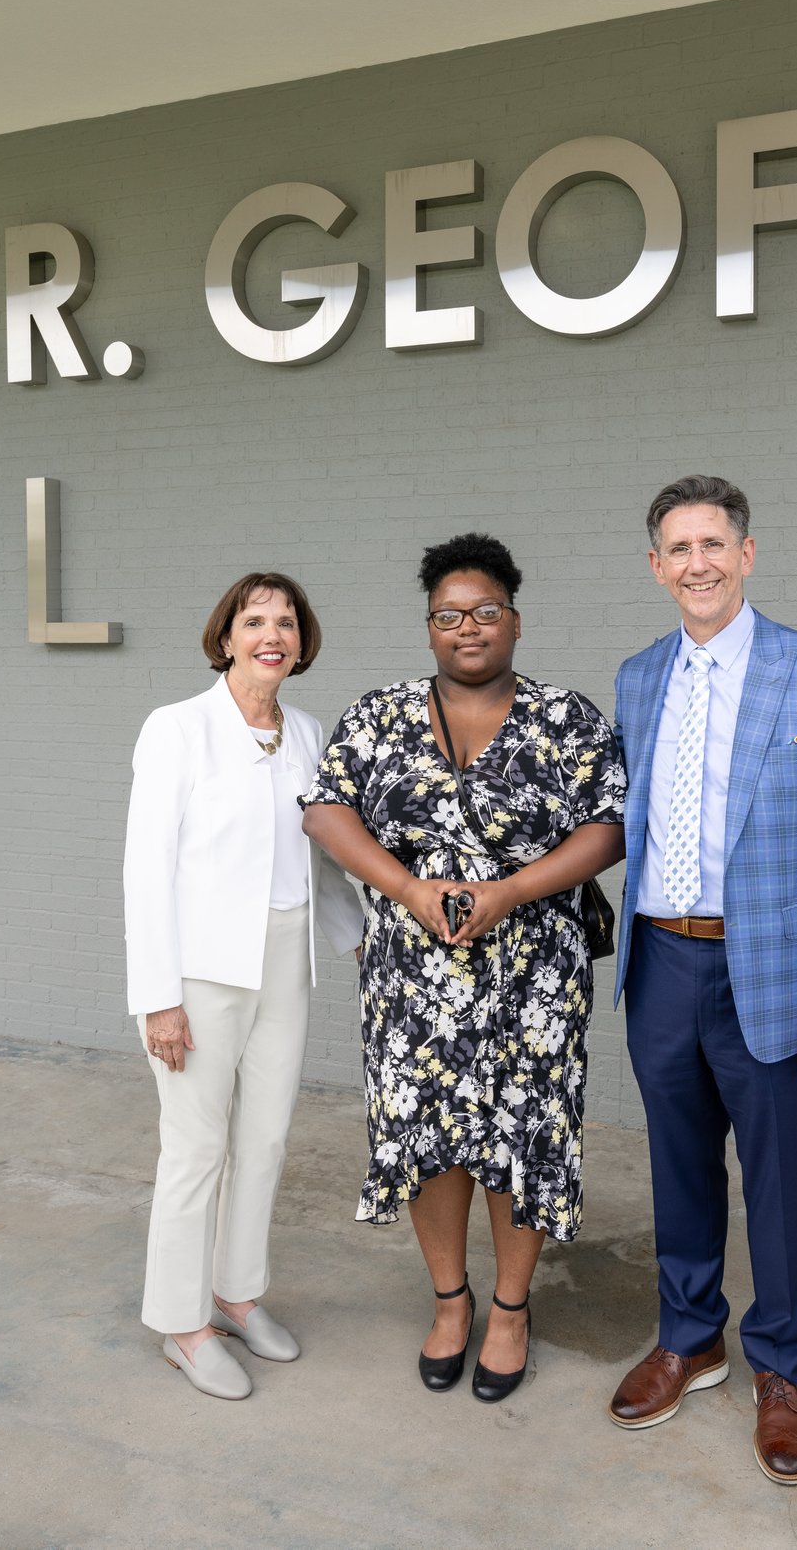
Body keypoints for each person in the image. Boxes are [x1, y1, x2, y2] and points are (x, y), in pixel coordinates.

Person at [605, 475, 797, 1485]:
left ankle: (780, 1365)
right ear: (655, 565)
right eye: (677, 547)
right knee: (678, 1166)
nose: (698, 562)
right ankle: (690, 1336)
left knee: (774, 1182)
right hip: (661, 960)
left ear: (748, 552)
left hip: (770, 969)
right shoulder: (639, 677)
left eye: (713, 543)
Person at [302, 534, 627, 1402]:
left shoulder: (566, 718)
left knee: (523, 1137)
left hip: (536, 971)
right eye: (448, 615)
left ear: (515, 621)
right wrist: (407, 887)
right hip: (413, 972)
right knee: (428, 1137)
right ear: (430, 628)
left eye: (485, 611)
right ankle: (451, 1301)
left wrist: (512, 889)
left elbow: (609, 826)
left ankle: (513, 1310)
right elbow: (325, 811)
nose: (467, 628)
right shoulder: (380, 714)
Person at [123, 572, 363, 1400]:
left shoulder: (305, 730)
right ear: (225, 635)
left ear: (301, 641)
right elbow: (145, 869)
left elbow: (323, 849)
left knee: (263, 1142)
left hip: (284, 962)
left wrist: (364, 939)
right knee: (195, 1147)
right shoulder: (178, 729)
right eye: (255, 620)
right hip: (198, 971)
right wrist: (159, 994)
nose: (273, 634)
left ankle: (235, 1294)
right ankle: (182, 1327)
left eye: (287, 621)